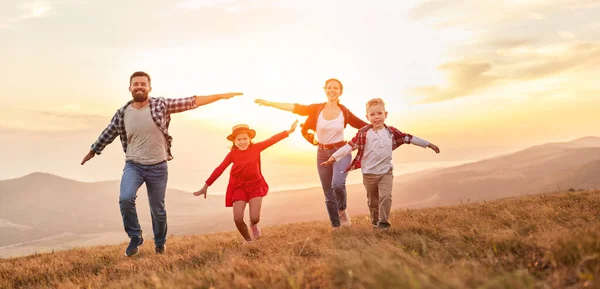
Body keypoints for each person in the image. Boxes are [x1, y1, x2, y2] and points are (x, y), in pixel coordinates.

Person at [80, 71, 243, 256]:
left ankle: (159, 243)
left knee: (157, 209)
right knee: (125, 199)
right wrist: (93, 151)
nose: (139, 87)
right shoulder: (122, 113)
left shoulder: (161, 105)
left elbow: (191, 102)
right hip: (134, 165)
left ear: (149, 88)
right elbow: (108, 133)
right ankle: (135, 237)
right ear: (130, 88)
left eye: (143, 84)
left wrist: (220, 96)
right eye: (136, 84)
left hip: (158, 166)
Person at [254, 78, 368, 230]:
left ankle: (342, 210)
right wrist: (270, 103)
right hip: (322, 153)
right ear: (325, 90)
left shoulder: (344, 111)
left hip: (341, 151)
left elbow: (364, 125)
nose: (332, 90)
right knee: (328, 192)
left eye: (335, 88)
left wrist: (387, 129)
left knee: (338, 184)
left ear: (340, 92)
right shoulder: (317, 109)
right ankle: (336, 225)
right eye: (329, 87)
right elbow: (295, 107)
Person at [321, 98, 440, 230]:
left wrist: (428, 144)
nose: (376, 117)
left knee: (385, 197)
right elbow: (349, 146)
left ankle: (383, 224)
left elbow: (409, 138)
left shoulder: (391, 132)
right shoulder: (363, 134)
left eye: (379, 113)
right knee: (373, 202)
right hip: (369, 174)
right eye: (372, 115)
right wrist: (333, 157)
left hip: (386, 172)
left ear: (385, 114)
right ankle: (375, 222)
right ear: (367, 117)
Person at [193, 120, 298, 243]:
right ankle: (248, 241)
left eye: (244, 139)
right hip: (238, 187)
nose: (242, 142)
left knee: (254, 217)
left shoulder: (256, 148)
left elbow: (272, 140)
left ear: (249, 139)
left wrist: (288, 131)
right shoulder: (232, 154)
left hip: (255, 185)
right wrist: (206, 186)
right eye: (239, 140)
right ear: (234, 141)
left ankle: (253, 225)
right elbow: (219, 169)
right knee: (237, 218)